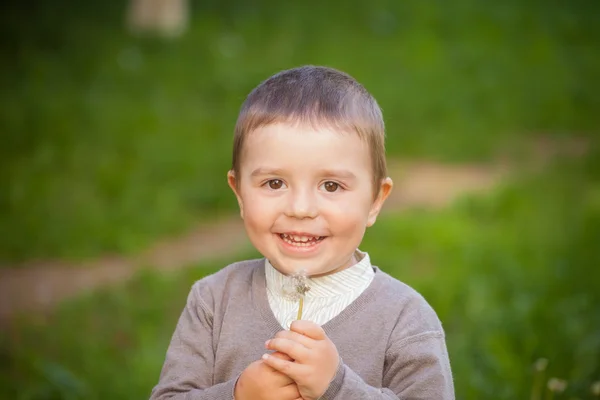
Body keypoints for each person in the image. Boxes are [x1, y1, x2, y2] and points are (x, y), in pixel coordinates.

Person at [150, 65, 454, 400]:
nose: (300, 208)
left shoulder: (406, 319)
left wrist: (337, 388)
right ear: (239, 193)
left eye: (331, 185)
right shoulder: (213, 301)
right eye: (274, 183)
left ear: (375, 201)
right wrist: (238, 396)